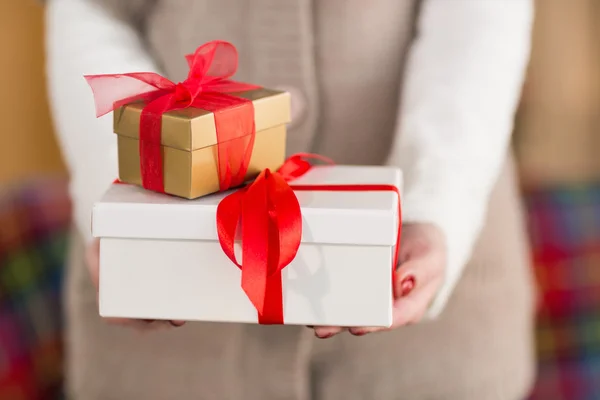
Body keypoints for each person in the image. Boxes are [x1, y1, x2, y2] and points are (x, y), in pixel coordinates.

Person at [45, 0, 536, 399]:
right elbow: (88, 9)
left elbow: (480, 17)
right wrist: (129, 211)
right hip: (171, 358)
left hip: (422, 330)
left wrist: (436, 204)